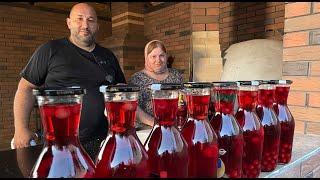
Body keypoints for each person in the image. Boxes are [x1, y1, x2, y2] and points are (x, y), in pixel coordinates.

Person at [12, 3, 126, 159]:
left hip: (102, 141)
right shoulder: (50, 50)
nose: (85, 25)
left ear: (97, 26)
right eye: (79, 19)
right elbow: (25, 88)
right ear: (69, 23)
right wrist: (21, 128)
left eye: (90, 20)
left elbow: (121, 91)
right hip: (60, 144)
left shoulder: (108, 56)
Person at [129, 40, 183, 130]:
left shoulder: (176, 74)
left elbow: (182, 99)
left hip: (174, 127)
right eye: (153, 56)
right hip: (148, 129)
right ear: (146, 58)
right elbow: (133, 107)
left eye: (161, 55)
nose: (158, 60)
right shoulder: (137, 78)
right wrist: (155, 123)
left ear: (166, 56)